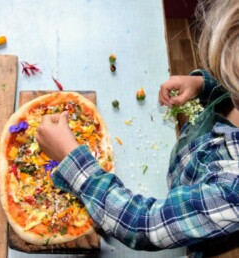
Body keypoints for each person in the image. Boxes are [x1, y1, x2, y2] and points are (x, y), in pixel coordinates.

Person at [36, 0, 239, 251]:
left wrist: (73, 162)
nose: (229, 90)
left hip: (196, 225)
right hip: (185, 173)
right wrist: (205, 85)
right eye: (228, 78)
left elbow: (145, 225)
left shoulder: (233, 192)